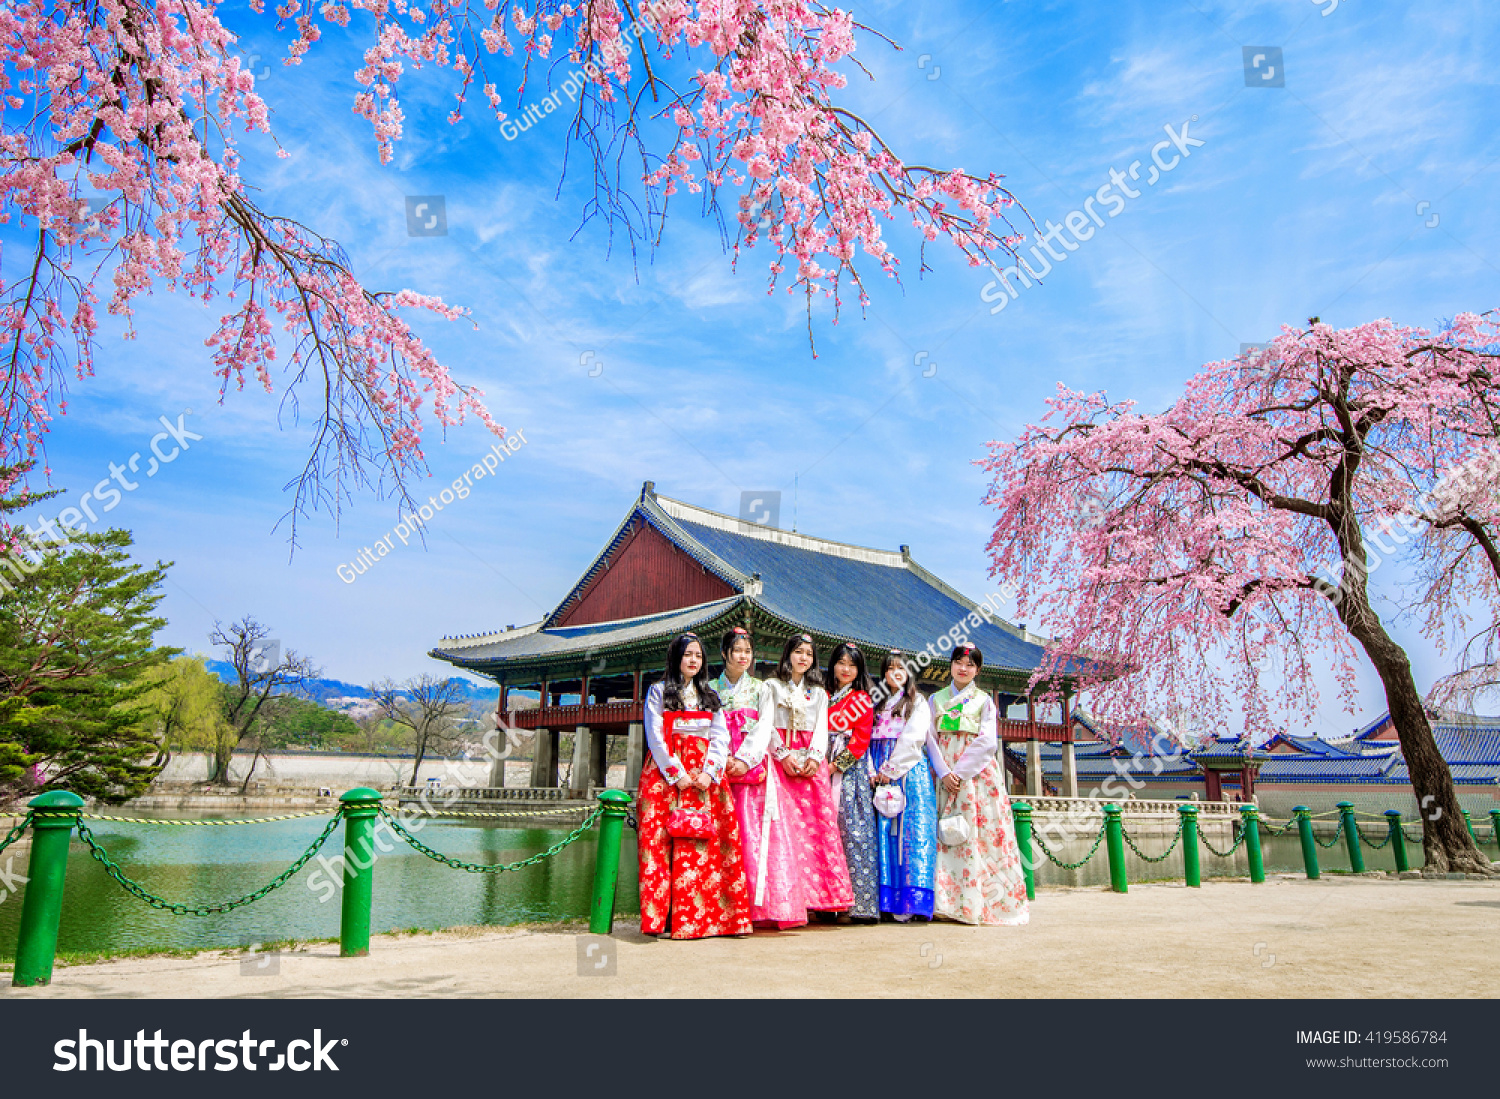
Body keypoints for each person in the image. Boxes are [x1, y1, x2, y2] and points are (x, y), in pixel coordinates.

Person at [637, 631, 753, 939]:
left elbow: (720, 737)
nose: (693, 660)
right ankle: (662, 919)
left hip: (705, 778)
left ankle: (711, 920)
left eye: (698, 656)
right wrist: (677, 774)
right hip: (666, 775)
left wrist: (709, 772)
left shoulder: (710, 696)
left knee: (706, 846)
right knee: (661, 844)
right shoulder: (658, 692)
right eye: (688, 654)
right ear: (676, 657)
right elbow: (655, 737)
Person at [736, 633, 854, 924]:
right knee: (783, 830)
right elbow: (766, 724)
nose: (803, 658)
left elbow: (821, 729)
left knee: (817, 829)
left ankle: (821, 899)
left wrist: (815, 757)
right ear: (787, 654)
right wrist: (783, 755)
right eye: (798, 652)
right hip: (781, 765)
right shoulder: (770, 687)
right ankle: (784, 901)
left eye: (809, 654)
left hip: (811, 765)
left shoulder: (818, 692)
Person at [927, 644, 1029, 926]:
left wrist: (959, 773)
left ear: (978, 670)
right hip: (943, 771)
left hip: (976, 776)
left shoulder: (984, 701)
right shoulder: (936, 699)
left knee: (980, 834)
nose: (963, 668)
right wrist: (944, 771)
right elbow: (931, 739)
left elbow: (987, 742)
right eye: (958, 662)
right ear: (950, 665)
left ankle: (979, 903)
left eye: (970, 665)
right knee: (944, 834)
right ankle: (945, 903)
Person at [713, 626, 798, 925]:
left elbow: (765, 726)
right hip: (719, 763)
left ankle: (755, 905)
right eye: (737, 651)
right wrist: (722, 758)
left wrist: (745, 759)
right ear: (724, 654)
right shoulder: (711, 689)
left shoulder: (762, 688)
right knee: (721, 829)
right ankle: (720, 904)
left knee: (753, 831)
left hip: (750, 764)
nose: (743, 656)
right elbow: (709, 728)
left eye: (747, 651)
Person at [868, 651, 939, 921]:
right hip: (878, 766)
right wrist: (874, 770)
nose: (896, 673)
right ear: (883, 673)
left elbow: (914, 738)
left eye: (901, 668)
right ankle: (886, 901)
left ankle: (913, 902)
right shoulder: (877, 702)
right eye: (890, 668)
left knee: (911, 833)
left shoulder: (917, 701)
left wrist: (890, 769)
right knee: (882, 834)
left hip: (908, 771)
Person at [826, 641, 878, 921]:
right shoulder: (822, 694)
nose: (846, 669)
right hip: (820, 763)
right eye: (841, 663)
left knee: (852, 832)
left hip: (849, 773)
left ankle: (855, 904)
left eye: (852, 665)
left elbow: (861, 740)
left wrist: (836, 765)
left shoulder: (862, 699)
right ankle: (824, 901)